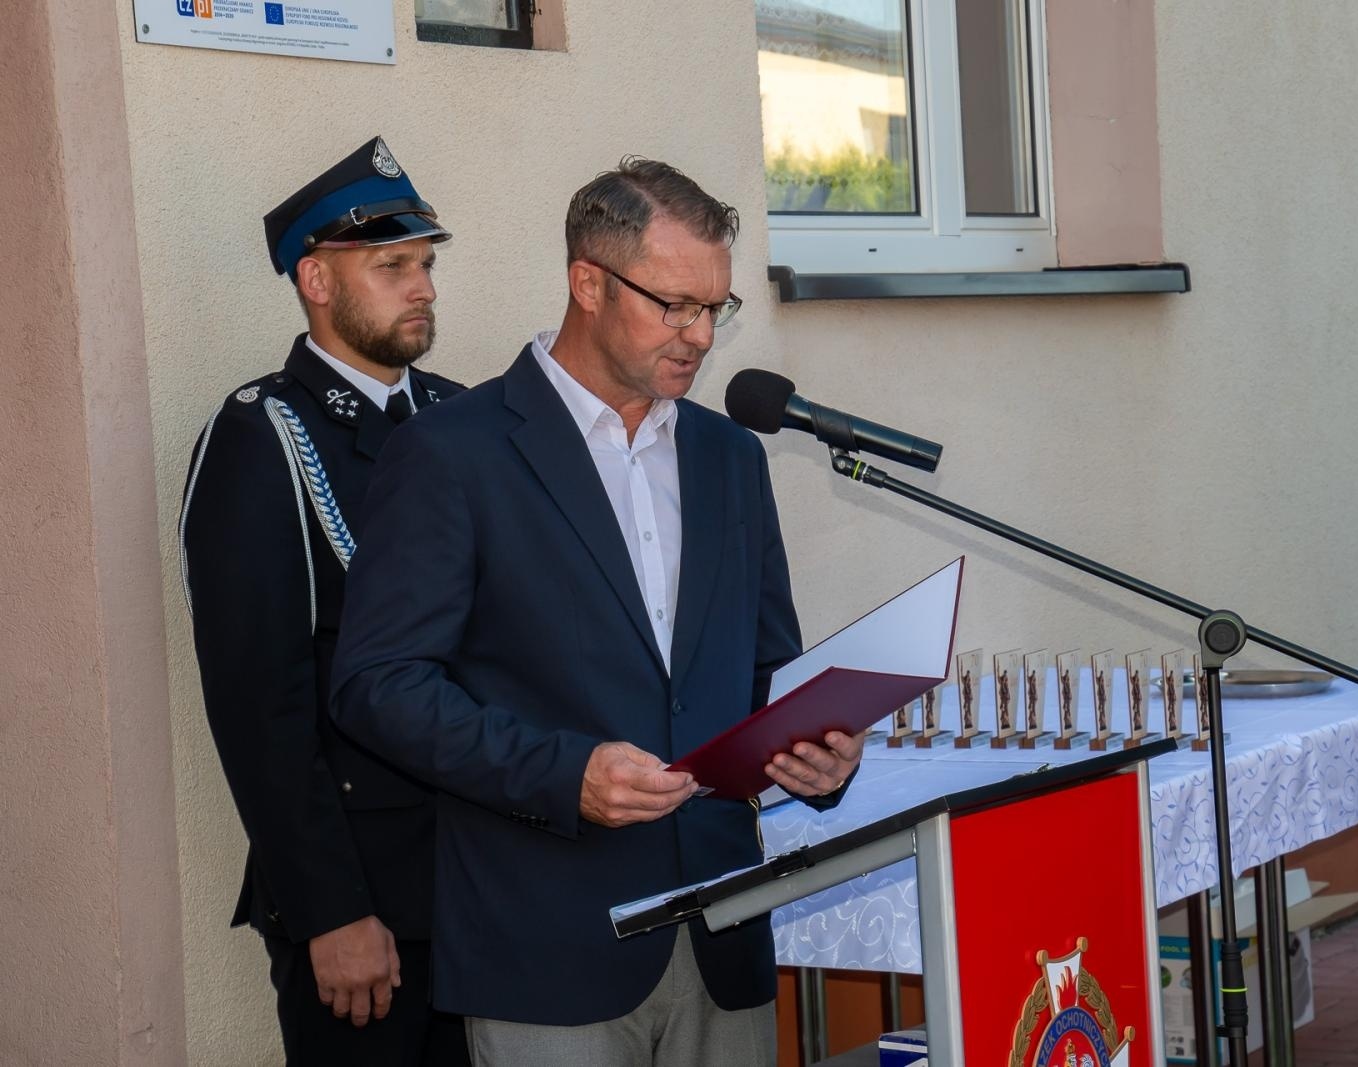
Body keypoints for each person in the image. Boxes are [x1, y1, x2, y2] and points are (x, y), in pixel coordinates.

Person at [329, 157, 863, 1065]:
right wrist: (563, 774)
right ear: (587, 283)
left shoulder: (729, 457)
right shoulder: (453, 454)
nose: (699, 335)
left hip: (723, 936)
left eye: (715, 309)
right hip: (548, 948)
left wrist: (814, 749)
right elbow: (378, 686)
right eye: (675, 305)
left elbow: (767, 666)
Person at [179, 136, 468, 1066]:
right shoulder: (263, 438)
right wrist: (331, 908)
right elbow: (259, 701)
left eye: (424, 264)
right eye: (391, 267)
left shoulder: (466, 421)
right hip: (365, 900)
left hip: (487, 886)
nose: (421, 286)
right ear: (315, 278)